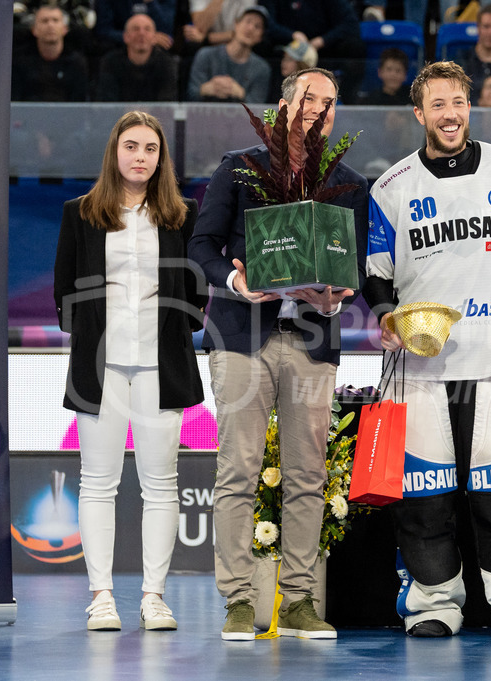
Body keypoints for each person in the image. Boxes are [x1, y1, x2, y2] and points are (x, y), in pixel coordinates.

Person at [363, 61, 491, 640]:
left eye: (458, 103)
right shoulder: (392, 187)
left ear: (469, 107)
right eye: (437, 105)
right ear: (419, 114)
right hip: (418, 368)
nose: (449, 114)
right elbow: (375, 277)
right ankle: (432, 604)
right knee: (423, 500)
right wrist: (386, 317)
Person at [187, 67, 369, 641]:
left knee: (308, 476)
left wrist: (336, 298)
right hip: (243, 336)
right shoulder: (239, 166)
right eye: (309, 98)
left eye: (331, 102)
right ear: (284, 105)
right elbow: (201, 245)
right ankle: (239, 601)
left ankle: (298, 602)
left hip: (312, 342)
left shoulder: (352, 184)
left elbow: (354, 270)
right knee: (238, 469)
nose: (320, 108)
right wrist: (239, 285)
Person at [53, 110, 205, 632]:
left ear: (161, 158)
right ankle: (101, 597)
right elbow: (64, 294)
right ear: (114, 152)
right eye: (131, 146)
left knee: (161, 484)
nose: (140, 157)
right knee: (97, 483)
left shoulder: (180, 216)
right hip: (100, 369)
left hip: (162, 366)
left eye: (150, 149)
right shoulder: (80, 213)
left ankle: (154, 597)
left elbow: (195, 294)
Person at [186, 5, 270, 102]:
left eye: (257, 26)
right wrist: (207, 89)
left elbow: (258, 107)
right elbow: (190, 95)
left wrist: (240, 93)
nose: (250, 28)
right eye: (248, 21)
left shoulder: (261, 68)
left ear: (260, 37)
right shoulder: (205, 55)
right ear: (236, 24)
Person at [11, 4, 89, 102]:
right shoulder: (20, 62)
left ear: (65, 29)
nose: (50, 25)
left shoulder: (76, 62)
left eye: (55, 20)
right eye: (45, 21)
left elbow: (80, 103)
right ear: (34, 29)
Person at [96, 12, 179, 101]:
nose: (141, 33)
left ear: (154, 38)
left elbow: (167, 103)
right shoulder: (111, 62)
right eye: (136, 29)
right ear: (125, 37)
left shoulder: (166, 64)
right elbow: (107, 101)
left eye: (147, 29)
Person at [95, 0, 176, 51]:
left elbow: (167, 31)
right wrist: (134, 38)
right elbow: (103, 30)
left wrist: (151, 3)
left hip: (156, 49)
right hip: (119, 46)